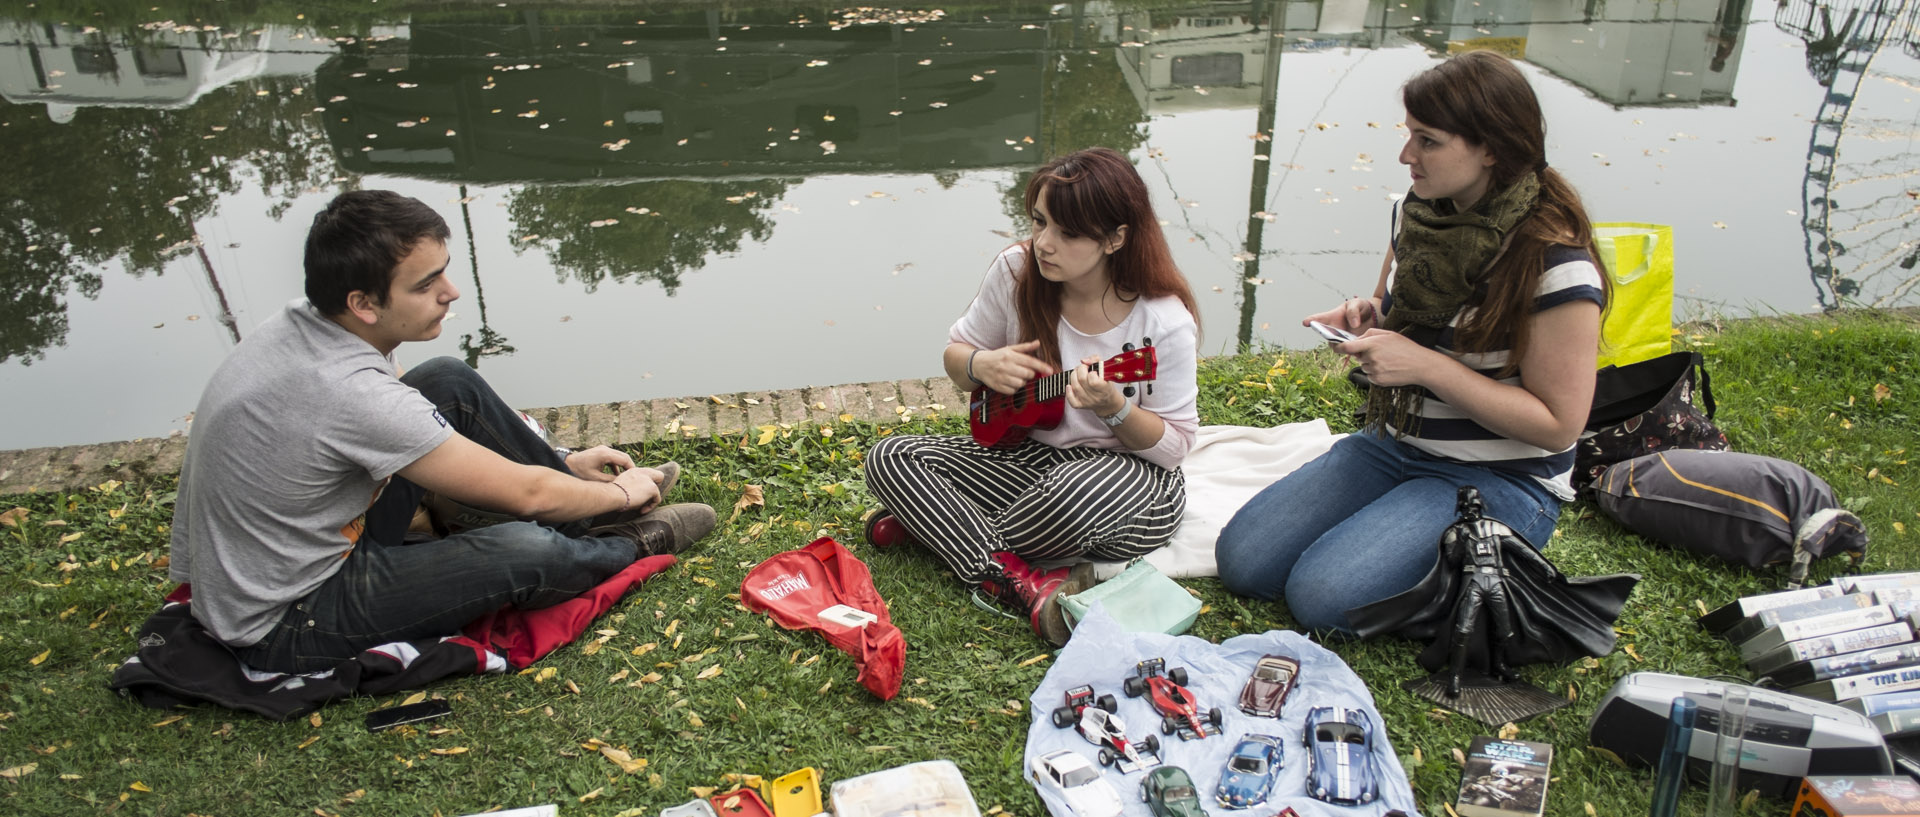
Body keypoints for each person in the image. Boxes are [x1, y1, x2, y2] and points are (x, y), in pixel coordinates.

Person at [168, 190, 716, 674]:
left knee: (445, 380)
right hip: (290, 615)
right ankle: (620, 543)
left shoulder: (310, 322)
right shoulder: (347, 390)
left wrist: (564, 466)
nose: (451, 292)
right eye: (427, 285)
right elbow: (524, 494)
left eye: (445, 272)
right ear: (362, 303)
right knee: (521, 547)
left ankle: (587, 510)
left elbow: (410, 414)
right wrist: (616, 488)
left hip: (314, 541)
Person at [1215, 51, 1609, 633]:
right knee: (1242, 562)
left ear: (1491, 149)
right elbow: (1396, 316)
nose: (1406, 156)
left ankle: (1491, 570)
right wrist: (1365, 318)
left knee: (1323, 599)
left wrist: (1425, 366)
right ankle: (1408, 537)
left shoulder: (1555, 265)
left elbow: (1557, 426)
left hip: (1499, 479)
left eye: (1427, 141)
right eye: (1409, 136)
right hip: (1392, 444)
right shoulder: (1416, 213)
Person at [862, 147, 1201, 646]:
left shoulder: (1162, 322)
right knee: (890, 457)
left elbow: (1174, 448)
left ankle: (938, 527)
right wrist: (980, 363)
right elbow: (956, 360)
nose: (1044, 243)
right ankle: (1017, 574)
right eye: (1039, 222)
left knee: (1069, 496)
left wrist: (1116, 408)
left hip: (1128, 479)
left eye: (1067, 233)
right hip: (1030, 458)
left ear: (1114, 238)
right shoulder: (1015, 271)